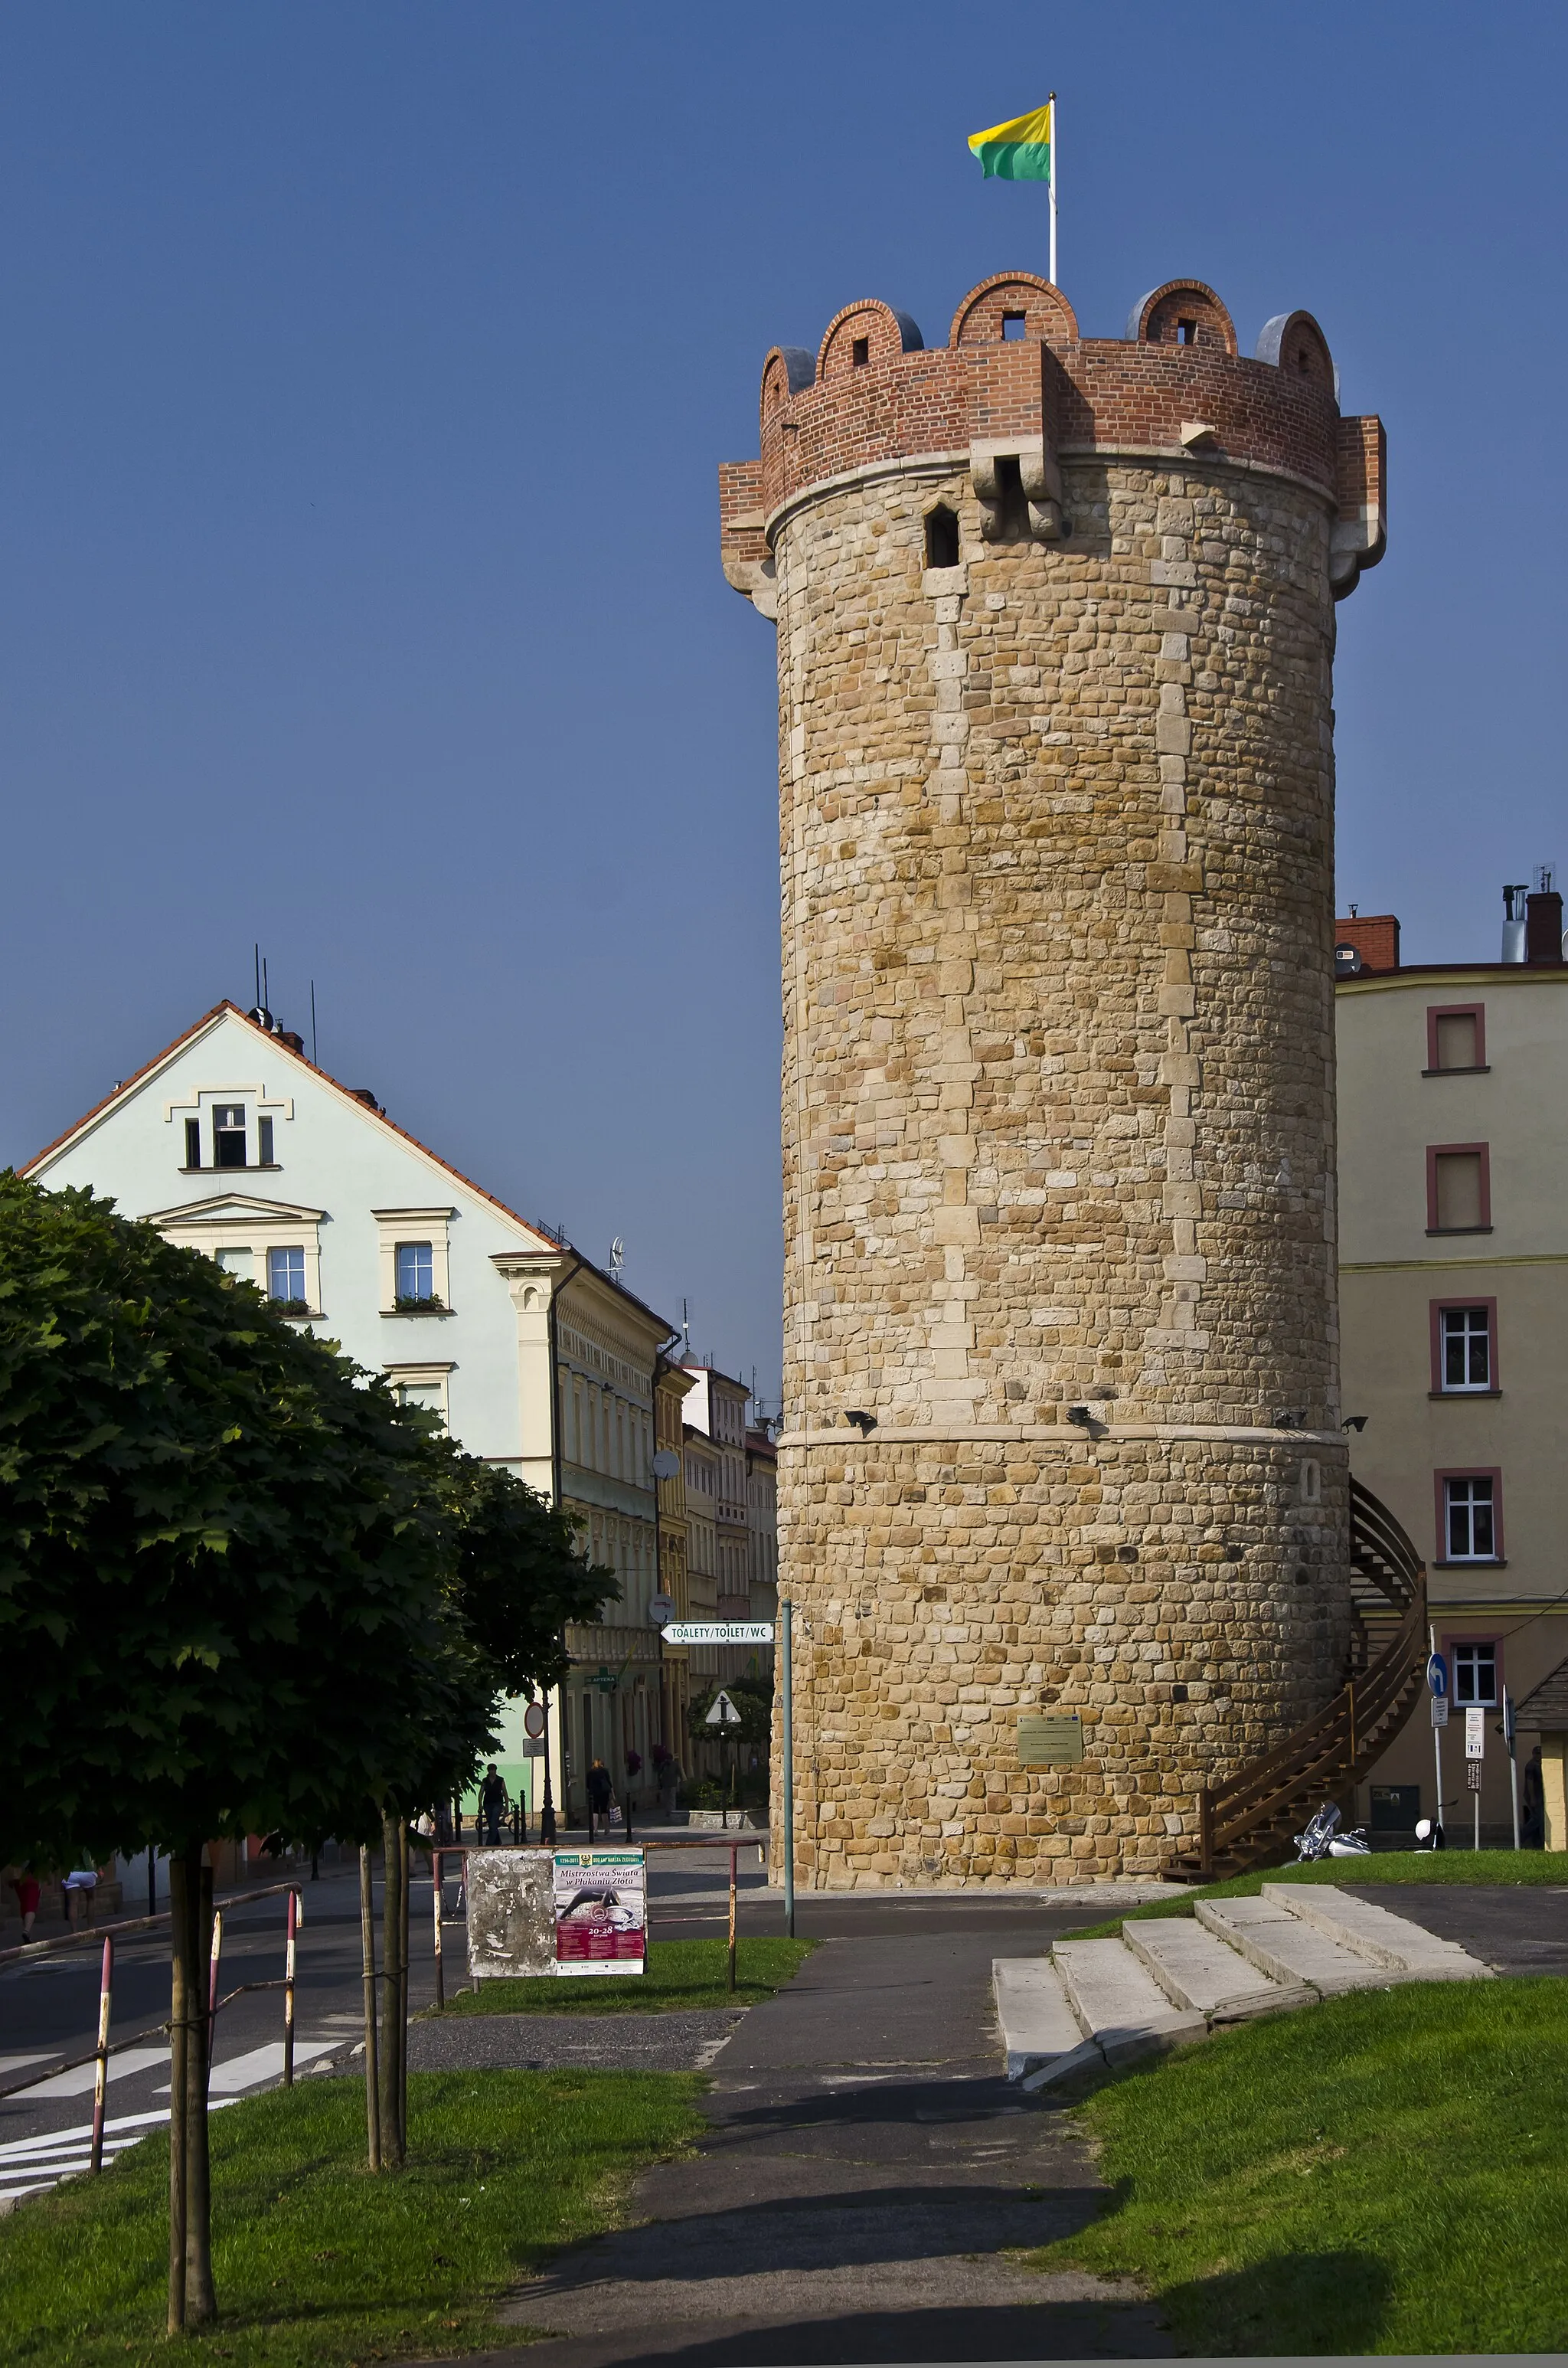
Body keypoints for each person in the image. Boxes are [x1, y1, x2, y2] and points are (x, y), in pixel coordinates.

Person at [1521, 1744, 1545, 1848]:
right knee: (1537, 1819)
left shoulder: (1539, 1764)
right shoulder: (1531, 1766)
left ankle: (1537, 1843)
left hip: (1539, 1795)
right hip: (1534, 1795)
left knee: (1539, 1820)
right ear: (1534, 1754)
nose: (1539, 1756)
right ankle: (1520, 1838)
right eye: (1537, 1754)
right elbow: (1529, 1782)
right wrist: (1533, 1798)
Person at [586, 1758, 614, 1840]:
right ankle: (606, 1829)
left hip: (594, 1794)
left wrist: (590, 1791)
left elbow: (587, 1784)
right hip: (604, 1793)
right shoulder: (605, 1771)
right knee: (604, 1810)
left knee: (595, 1811)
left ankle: (595, 1830)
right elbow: (609, 1783)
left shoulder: (590, 1772)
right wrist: (613, 1795)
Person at [8, 1869, 41, 1940]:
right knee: (31, 1907)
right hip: (32, 1879)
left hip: (18, 1879)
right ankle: (27, 1931)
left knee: (24, 1906)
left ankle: (28, 1934)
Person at [480, 1763, 507, 1846]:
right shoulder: (485, 1780)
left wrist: (507, 1805)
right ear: (488, 1771)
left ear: (496, 1770)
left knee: (493, 1823)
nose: (492, 1772)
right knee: (492, 1824)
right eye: (491, 1770)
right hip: (487, 1803)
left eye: (494, 1770)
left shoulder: (500, 1780)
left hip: (498, 1803)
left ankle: (489, 1844)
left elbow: (505, 1792)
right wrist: (480, 1804)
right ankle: (498, 1842)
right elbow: (481, 1793)